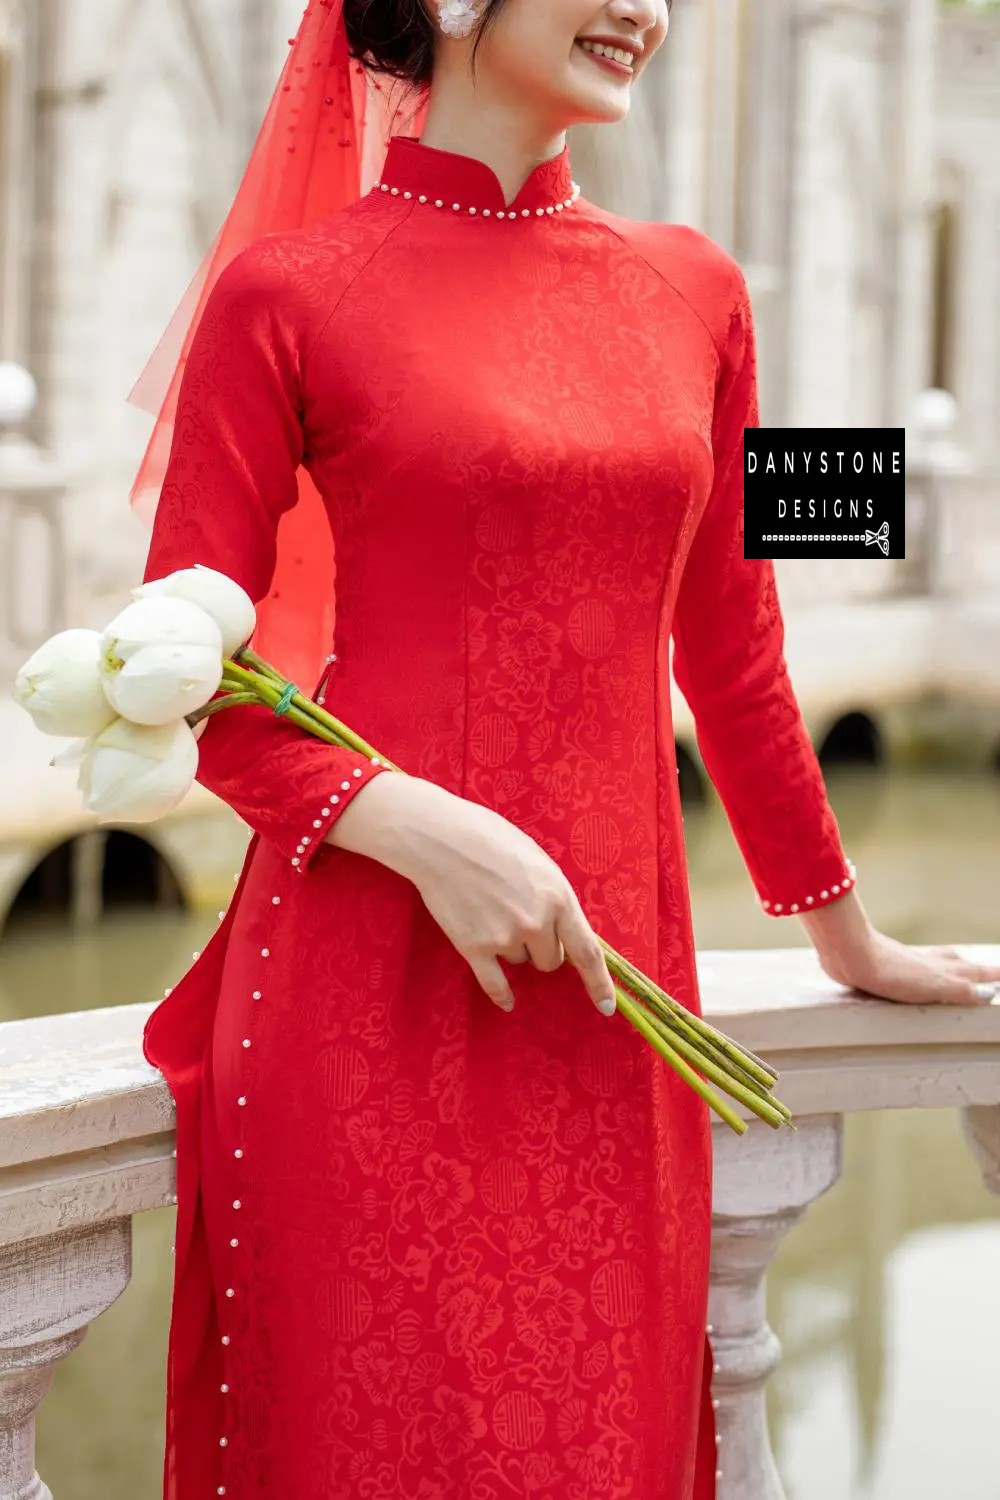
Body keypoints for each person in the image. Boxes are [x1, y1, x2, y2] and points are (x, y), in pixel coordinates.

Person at [134, 2, 1000, 1497]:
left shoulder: (702, 287)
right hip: (369, 984)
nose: (649, 14)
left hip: (612, 1003)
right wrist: (412, 821)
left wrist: (845, 933)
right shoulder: (283, 295)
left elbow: (734, 645)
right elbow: (189, 682)